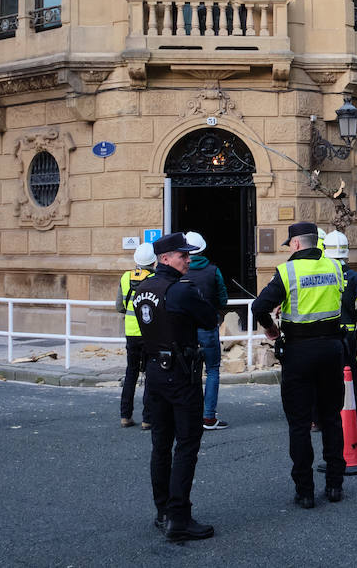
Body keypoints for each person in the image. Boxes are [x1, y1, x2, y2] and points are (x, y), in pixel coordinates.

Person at [253, 221, 347, 508]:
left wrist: (271, 329)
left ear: (295, 244)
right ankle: (334, 485)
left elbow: (259, 307)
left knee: (299, 423)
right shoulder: (335, 267)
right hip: (332, 348)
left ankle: (305, 491)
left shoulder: (287, 271)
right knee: (331, 418)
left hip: (299, 352)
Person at [134, 232, 217, 543]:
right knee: (186, 445)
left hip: (155, 372)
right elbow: (209, 319)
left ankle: (162, 512)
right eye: (183, 255)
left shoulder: (143, 288)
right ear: (165, 258)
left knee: (160, 445)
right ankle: (178, 517)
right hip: (181, 376)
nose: (188, 259)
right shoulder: (179, 290)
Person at [326, 230, 357, 431]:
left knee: (326, 378)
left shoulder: (322, 275)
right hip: (349, 335)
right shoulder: (352, 276)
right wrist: (354, 316)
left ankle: (325, 420)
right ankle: (355, 420)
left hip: (327, 334)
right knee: (350, 377)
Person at [183, 231, 229, 430]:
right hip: (209, 327)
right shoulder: (213, 270)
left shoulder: (180, 272)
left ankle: (187, 416)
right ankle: (208, 417)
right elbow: (223, 299)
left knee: (187, 372)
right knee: (212, 371)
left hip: (185, 330)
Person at [117, 243, 156, 428]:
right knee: (150, 374)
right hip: (150, 333)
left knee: (131, 372)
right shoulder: (155, 278)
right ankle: (148, 419)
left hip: (131, 332)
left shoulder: (125, 277)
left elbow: (119, 306)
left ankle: (125, 416)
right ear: (154, 261)